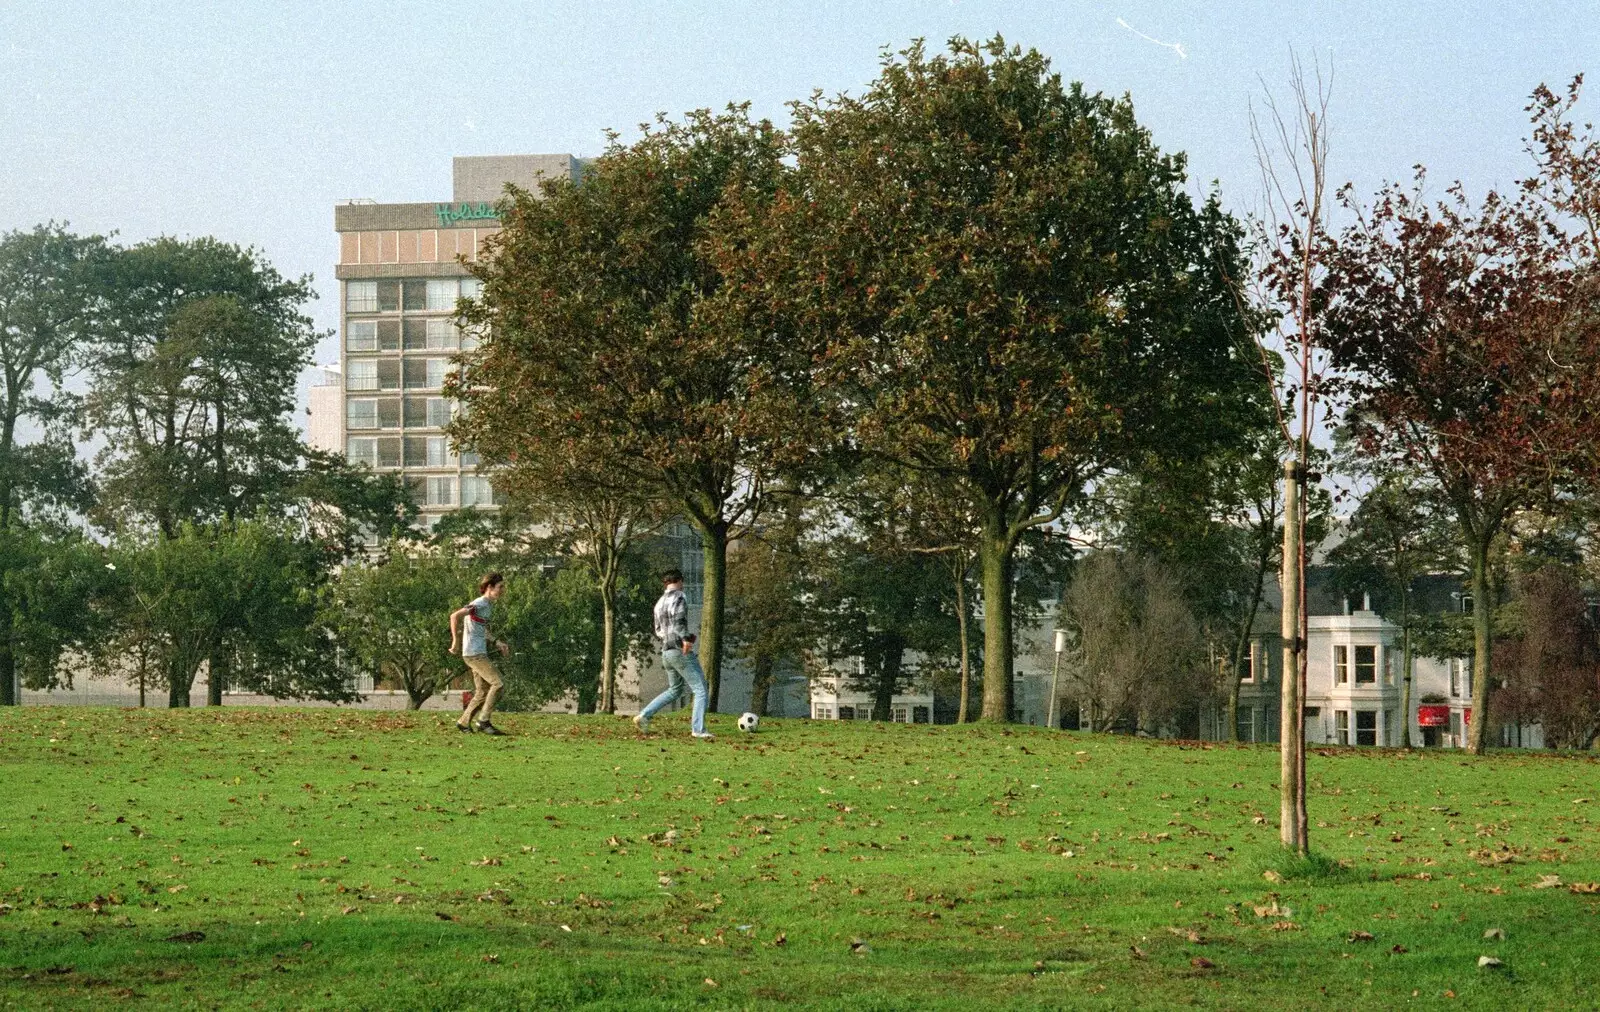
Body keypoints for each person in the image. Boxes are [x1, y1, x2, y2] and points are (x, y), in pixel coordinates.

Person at [634, 570, 713, 739]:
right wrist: (685, 639)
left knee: (675, 690)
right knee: (700, 689)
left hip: (666, 651)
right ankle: (698, 729)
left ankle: (645, 715)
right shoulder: (679, 597)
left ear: (665, 583)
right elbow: (678, 623)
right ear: (681, 581)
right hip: (679, 650)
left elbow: (658, 630)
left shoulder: (659, 603)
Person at [450, 572, 509, 735]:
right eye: (500, 587)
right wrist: (455, 641)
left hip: (477, 652)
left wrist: (497, 642)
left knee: (482, 692)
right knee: (498, 684)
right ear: (490, 587)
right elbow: (454, 616)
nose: (503, 590)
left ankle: (463, 723)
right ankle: (483, 721)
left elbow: (481, 629)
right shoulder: (480, 603)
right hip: (474, 653)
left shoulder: (488, 605)